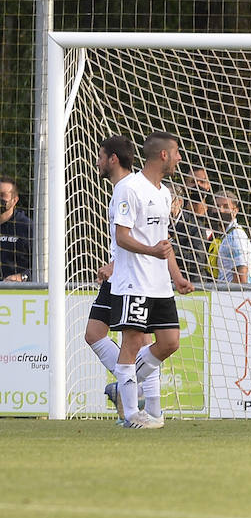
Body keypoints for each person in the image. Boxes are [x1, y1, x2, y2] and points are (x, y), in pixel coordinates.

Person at [110, 132, 195, 429]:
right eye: (177, 153)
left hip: (160, 285)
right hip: (134, 282)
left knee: (170, 342)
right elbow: (122, 237)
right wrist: (151, 251)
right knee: (132, 342)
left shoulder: (164, 193)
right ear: (163, 155)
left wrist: (177, 276)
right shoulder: (129, 188)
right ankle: (132, 414)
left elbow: (163, 242)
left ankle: (123, 386)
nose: (179, 158)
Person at [86, 136, 144, 416]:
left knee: (138, 340)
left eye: (100, 156)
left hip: (131, 277)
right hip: (118, 274)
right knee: (94, 334)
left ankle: (136, 392)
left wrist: (114, 265)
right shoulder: (122, 188)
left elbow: (139, 235)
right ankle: (130, 387)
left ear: (113, 159)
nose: (97, 162)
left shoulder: (129, 189)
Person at [210, 189, 251, 284]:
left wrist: (234, 292)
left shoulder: (236, 236)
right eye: (217, 206)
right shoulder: (226, 235)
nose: (220, 210)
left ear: (235, 211)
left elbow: (241, 276)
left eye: (225, 206)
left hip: (233, 292)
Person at [168, 183, 212, 284]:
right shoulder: (157, 224)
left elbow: (197, 262)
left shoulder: (195, 226)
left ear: (178, 202)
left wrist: (170, 243)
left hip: (192, 285)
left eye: (166, 201)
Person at [0, 176, 33, 282]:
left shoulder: (27, 227)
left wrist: (21, 277)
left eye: (2, 195)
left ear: (15, 200)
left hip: (17, 290)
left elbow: (44, 265)